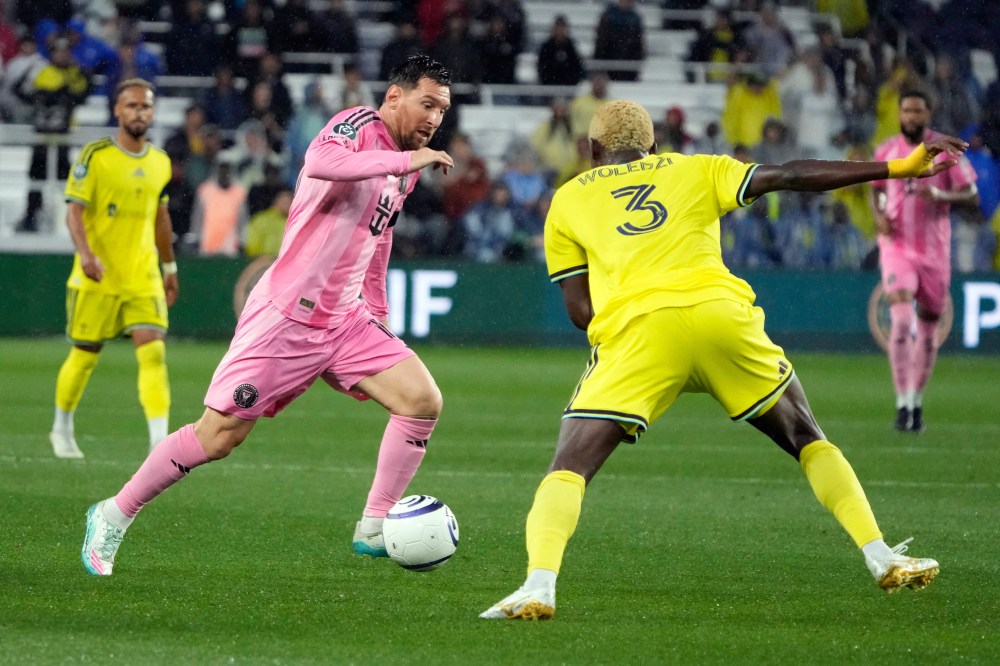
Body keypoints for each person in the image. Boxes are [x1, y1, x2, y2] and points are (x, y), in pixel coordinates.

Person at [480, 99, 962, 620]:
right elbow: (790, 175)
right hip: (720, 318)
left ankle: (538, 586)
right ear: (655, 147)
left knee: (569, 468)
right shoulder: (696, 166)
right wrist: (899, 166)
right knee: (807, 438)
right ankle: (882, 556)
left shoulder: (569, 198)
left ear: (593, 150)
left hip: (642, 335)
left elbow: (579, 311)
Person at [79, 54, 455, 577]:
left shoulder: (405, 163)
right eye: (428, 103)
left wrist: (380, 313)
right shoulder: (357, 126)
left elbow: (379, 234)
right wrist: (403, 162)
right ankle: (114, 513)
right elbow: (321, 161)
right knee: (219, 436)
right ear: (395, 96)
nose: (436, 119)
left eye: (443, 109)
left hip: (345, 320)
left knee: (421, 400)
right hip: (286, 318)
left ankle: (372, 526)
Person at [49, 78, 176, 459]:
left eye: (146, 106)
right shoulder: (95, 155)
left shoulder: (160, 162)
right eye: (133, 105)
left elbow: (161, 218)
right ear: (118, 111)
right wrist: (86, 255)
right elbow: (74, 211)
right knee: (85, 355)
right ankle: (61, 428)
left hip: (143, 275)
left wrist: (169, 266)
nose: (140, 112)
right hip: (98, 275)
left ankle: (159, 444)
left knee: (153, 352)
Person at [872, 91, 978, 433]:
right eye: (906, 110)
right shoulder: (886, 150)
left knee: (929, 331)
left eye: (917, 111)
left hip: (934, 252)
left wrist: (940, 195)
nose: (911, 117)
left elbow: (972, 194)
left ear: (928, 113)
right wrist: (878, 215)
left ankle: (916, 401)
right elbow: (875, 186)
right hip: (896, 246)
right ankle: (902, 402)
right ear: (900, 114)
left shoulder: (944, 148)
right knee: (902, 322)